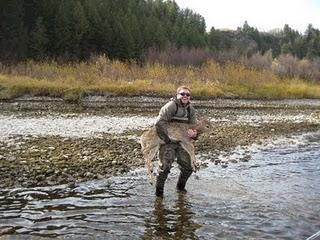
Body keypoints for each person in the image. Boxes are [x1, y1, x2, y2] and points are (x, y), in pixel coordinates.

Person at [154, 85, 198, 197]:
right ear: (177, 95)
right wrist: (166, 139)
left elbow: (194, 128)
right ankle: (159, 194)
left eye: (187, 94)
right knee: (165, 168)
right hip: (167, 141)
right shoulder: (170, 106)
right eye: (182, 94)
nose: (185, 96)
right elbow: (158, 123)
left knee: (188, 168)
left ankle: (180, 189)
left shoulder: (191, 110)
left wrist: (194, 134)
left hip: (182, 142)